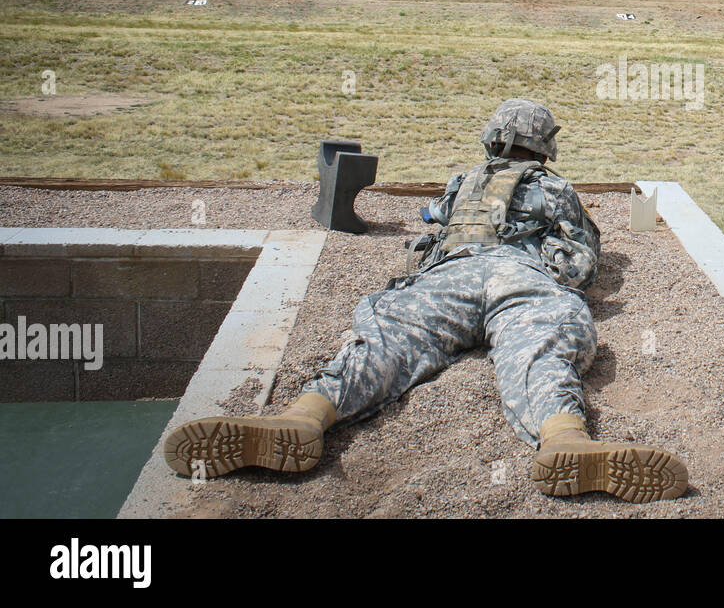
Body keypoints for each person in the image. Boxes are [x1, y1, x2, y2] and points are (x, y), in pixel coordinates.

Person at [163, 98, 689, 503]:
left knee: (385, 343)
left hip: (448, 279)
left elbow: (428, 235)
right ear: (545, 146)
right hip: (519, 277)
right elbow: (580, 263)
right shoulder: (553, 189)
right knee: (540, 350)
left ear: (492, 139)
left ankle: (304, 417)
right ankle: (565, 438)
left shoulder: (461, 184)